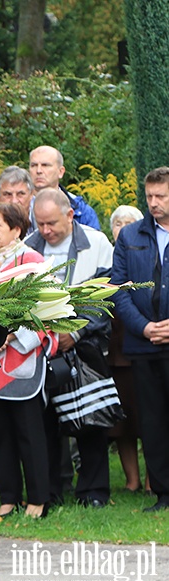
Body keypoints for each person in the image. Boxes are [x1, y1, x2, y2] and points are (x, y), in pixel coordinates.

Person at [26, 188, 114, 508]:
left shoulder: (97, 243)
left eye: (51, 224)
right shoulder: (29, 246)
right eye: (40, 224)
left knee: (89, 420)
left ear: (70, 215)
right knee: (46, 425)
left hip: (85, 345)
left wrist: (74, 333)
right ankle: (52, 491)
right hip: (42, 348)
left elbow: (105, 297)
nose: (45, 231)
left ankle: (93, 492)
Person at [0, 202, 52, 519]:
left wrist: (12, 336)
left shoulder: (31, 261)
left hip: (21, 359)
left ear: (17, 230)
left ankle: (38, 498)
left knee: (29, 431)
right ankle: (8, 495)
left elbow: (46, 310)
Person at [111, 166, 169, 512]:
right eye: (149, 196)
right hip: (143, 344)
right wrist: (145, 328)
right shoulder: (130, 235)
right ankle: (162, 492)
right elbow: (119, 291)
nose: (153, 203)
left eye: (161, 196)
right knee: (152, 420)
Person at [107, 205, 146, 492]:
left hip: (146, 348)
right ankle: (131, 480)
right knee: (123, 425)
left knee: (151, 419)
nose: (122, 227)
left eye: (128, 222)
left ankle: (151, 480)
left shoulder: (146, 255)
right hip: (115, 355)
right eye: (117, 222)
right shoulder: (110, 260)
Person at [28, 145, 100, 230]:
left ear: (61, 172)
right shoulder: (16, 205)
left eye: (45, 165)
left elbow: (93, 242)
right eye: (34, 165)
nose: (38, 171)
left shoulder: (81, 211)